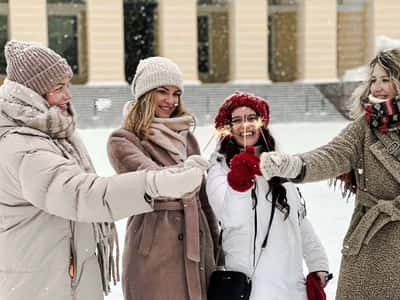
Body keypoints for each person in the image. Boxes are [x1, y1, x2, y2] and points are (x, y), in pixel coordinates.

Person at [0, 40, 207, 300]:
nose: (68, 95)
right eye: (58, 88)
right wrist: (156, 183)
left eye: (68, 86)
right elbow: (81, 194)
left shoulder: (53, 135)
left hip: (63, 278)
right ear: (31, 93)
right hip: (43, 284)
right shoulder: (23, 148)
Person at [258, 48, 400, 300]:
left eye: (386, 79)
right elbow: (332, 155)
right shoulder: (364, 128)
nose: (376, 87)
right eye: (373, 80)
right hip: (373, 245)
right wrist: (293, 165)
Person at [107, 56, 219, 300]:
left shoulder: (187, 138)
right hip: (155, 245)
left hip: (198, 242)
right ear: (146, 94)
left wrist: (216, 246)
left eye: (176, 93)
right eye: (162, 91)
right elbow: (152, 181)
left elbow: (204, 199)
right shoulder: (124, 140)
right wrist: (186, 172)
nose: (171, 100)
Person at [206, 92, 330, 300]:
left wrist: (318, 263)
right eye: (236, 120)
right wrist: (239, 184)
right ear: (228, 128)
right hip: (251, 285)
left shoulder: (280, 164)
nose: (245, 126)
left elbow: (299, 221)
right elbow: (230, 218)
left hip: (290, 284)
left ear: (262, 123)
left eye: (251, 118)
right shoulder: (219, 169)